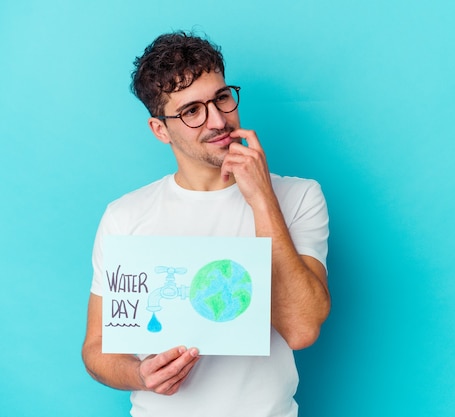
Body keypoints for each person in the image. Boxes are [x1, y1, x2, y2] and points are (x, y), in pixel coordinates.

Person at [81, 31, 331, 417]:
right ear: (160, 130)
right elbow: (97, 349)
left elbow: (301, 330)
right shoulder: (125, 216)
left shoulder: (298, 196)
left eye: (222, 98)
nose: (218, 120)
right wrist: (139, 373)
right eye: (192, 111)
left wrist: (262, 200)